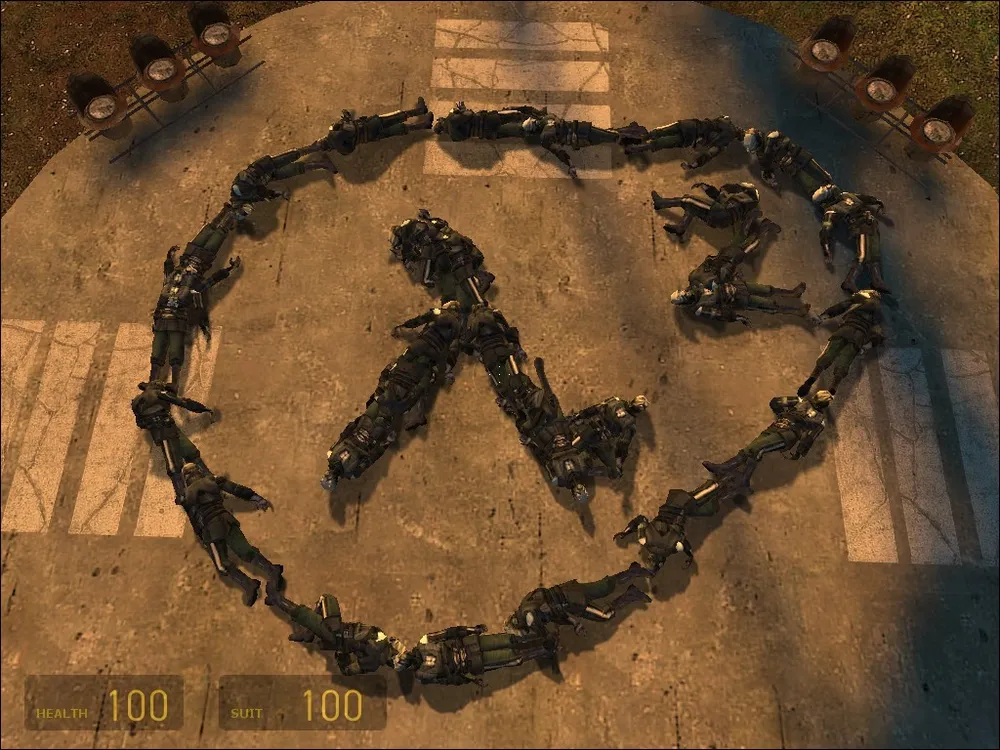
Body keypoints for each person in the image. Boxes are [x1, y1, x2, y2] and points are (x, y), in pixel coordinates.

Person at [178, 461, 280, 607]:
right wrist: (256, 498)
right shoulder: (212, 480)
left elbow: (194, 518)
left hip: (211, 528)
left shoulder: (187, 494)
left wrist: (200, 534)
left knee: (222, 565)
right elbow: (235, 489)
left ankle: (248, 584)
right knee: (245, 551)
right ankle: (272, 569)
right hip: (226, 519)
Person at [149, 250, 240, 385]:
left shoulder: (194, 287)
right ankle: (152, 381)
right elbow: (168, 271)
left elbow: (212, 280)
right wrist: (169, 258)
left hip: (177, 322)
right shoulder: (170, 281)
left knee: (175, 354)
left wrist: (229, 269)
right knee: (157, 352)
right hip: (162, 321)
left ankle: (174, 384)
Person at [504, 562, 652, 639]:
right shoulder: (526, 604)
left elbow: (545, 633)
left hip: (575, 602)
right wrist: (575, 623)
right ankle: (632, 571)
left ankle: (631, 593)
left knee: (605, 615)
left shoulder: (529, 617)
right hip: (570, 590)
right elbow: (554, 608)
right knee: (605, 587)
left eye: (519, 632)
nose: (523, 633)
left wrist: (549, 638)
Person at [798, 289, 885, 397]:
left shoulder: (861, 298)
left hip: (845, 330)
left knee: (828, 356)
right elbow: (878, 335)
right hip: (857, 338)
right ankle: (831, 391)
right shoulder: (878, 313)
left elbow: (841, 307)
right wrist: (866, 346)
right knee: (843, 364)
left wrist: (823, 317)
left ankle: (809, 383)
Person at [811, 183, 891, 294]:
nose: (830, 187)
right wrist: (826, 249)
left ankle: (877, 280)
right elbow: (825, 231)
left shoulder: (845, 195)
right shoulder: (832, 211)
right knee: (862, 256)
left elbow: (862, 198)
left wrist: (876, 201)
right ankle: (849, 281)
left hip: (871, 225)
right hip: (860, 227)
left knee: (874, 254)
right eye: (827, 190)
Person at [624, 115, 745, 170]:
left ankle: (639, 139)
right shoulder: (725, 141)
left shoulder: (724, 120)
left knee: (662, 131)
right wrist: (694, 165)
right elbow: (709, 154)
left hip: (690, 124)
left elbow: (719, 120)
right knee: (663, 142)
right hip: (691, 137)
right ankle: (634, 148)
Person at [321, 98, 434, 155]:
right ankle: (420, 111)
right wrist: (346, 119)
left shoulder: (341, 149)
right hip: (369, 125)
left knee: (395, 130)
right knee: (395, 117)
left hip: (369, 137)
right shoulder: (334, 134)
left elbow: (350, 148)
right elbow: (349, 127)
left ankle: (423, 125)